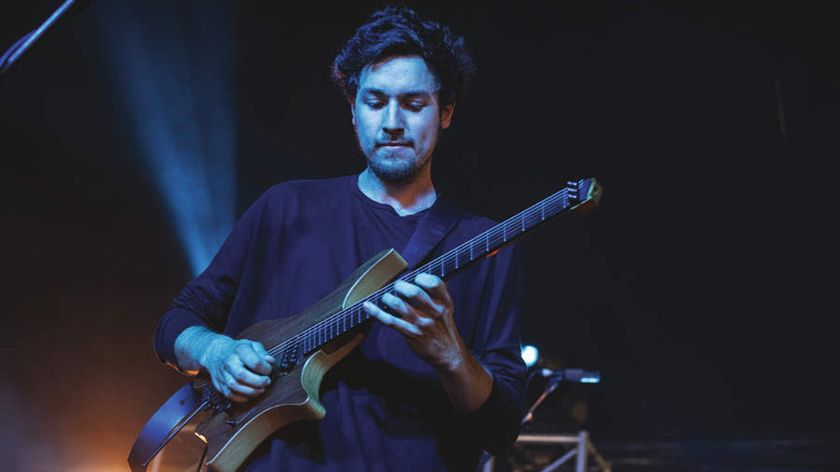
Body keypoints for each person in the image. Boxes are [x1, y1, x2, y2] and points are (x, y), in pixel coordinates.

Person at [153, 6, 526, 471]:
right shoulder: (287, 208)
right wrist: (215, 351)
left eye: (413, 104)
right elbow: (175, 324)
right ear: (353, 110)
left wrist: (452, 356)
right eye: (375, 102)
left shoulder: (485, 245)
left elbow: (501, 428)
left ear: (445, 112)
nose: (392, 122)